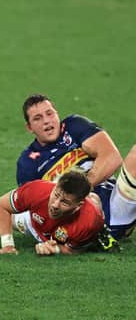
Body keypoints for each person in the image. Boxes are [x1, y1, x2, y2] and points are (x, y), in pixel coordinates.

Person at [16, 93, 136, 243]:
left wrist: (81, 188)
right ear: (29, 127)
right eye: (37, 118)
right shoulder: (28, 163)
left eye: (49, 113)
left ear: (57, 114)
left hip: (116, 205)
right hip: (80, 225)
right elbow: (33, 208)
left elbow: (112, 157)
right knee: (18, 217)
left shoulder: (74, 126)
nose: (46, 121)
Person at [0, 171, 105, 255]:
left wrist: (55, 249)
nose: (55, 205)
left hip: (72, 231)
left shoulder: (89, 220)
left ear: (79, 205)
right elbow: (2, 205)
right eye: (56, 195)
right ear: (55, 186)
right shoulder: (37, 190)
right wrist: (7, 245)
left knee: (95, 203)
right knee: (10, 221)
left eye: (64, 202)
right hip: (34, 222)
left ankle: (99, 227)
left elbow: (74, 250)